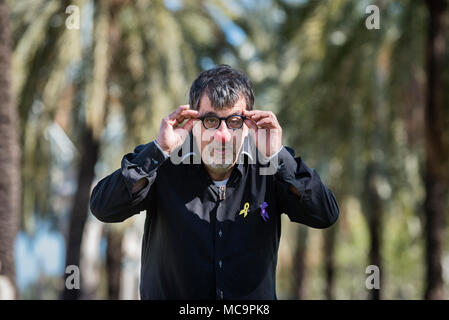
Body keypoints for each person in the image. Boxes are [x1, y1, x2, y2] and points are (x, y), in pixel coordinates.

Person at [90, 64, 339, 300]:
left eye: (233, 122)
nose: (222, 136)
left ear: (248, 123)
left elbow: (324, 214)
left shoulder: (270, 168)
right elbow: (104, 207)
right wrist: (157, 150)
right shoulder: (162, 163)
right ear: (193, 120)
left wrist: (277, 155)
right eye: (211, 121)